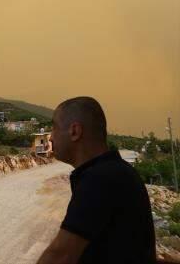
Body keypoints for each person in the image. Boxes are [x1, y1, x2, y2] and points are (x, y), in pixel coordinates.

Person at [37, 96, 155, 264]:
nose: (50, 137)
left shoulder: (99, 180)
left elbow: (61, 255)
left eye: (54, 127)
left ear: (74, 131)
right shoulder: (116, 171)